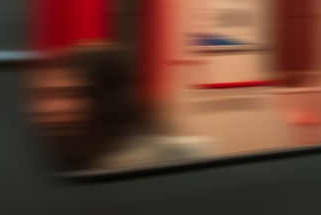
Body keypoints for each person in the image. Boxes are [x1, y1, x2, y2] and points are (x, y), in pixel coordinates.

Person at [30, 41, 205, 172]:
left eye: (69, 94)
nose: (48, 108)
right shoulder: (59, 151)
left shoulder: (152, 158)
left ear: (106, 99)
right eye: (44, 95)